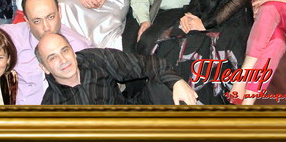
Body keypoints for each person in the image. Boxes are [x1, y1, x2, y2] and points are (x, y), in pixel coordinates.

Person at [37, 33, 198, 105]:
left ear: (72, 51)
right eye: (52, 57)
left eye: (64, 50)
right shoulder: (51, 107)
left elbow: (144, 64)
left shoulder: (94, 59)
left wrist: (176, 82)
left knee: (165, 86)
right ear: (44, 68)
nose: (63, 60)